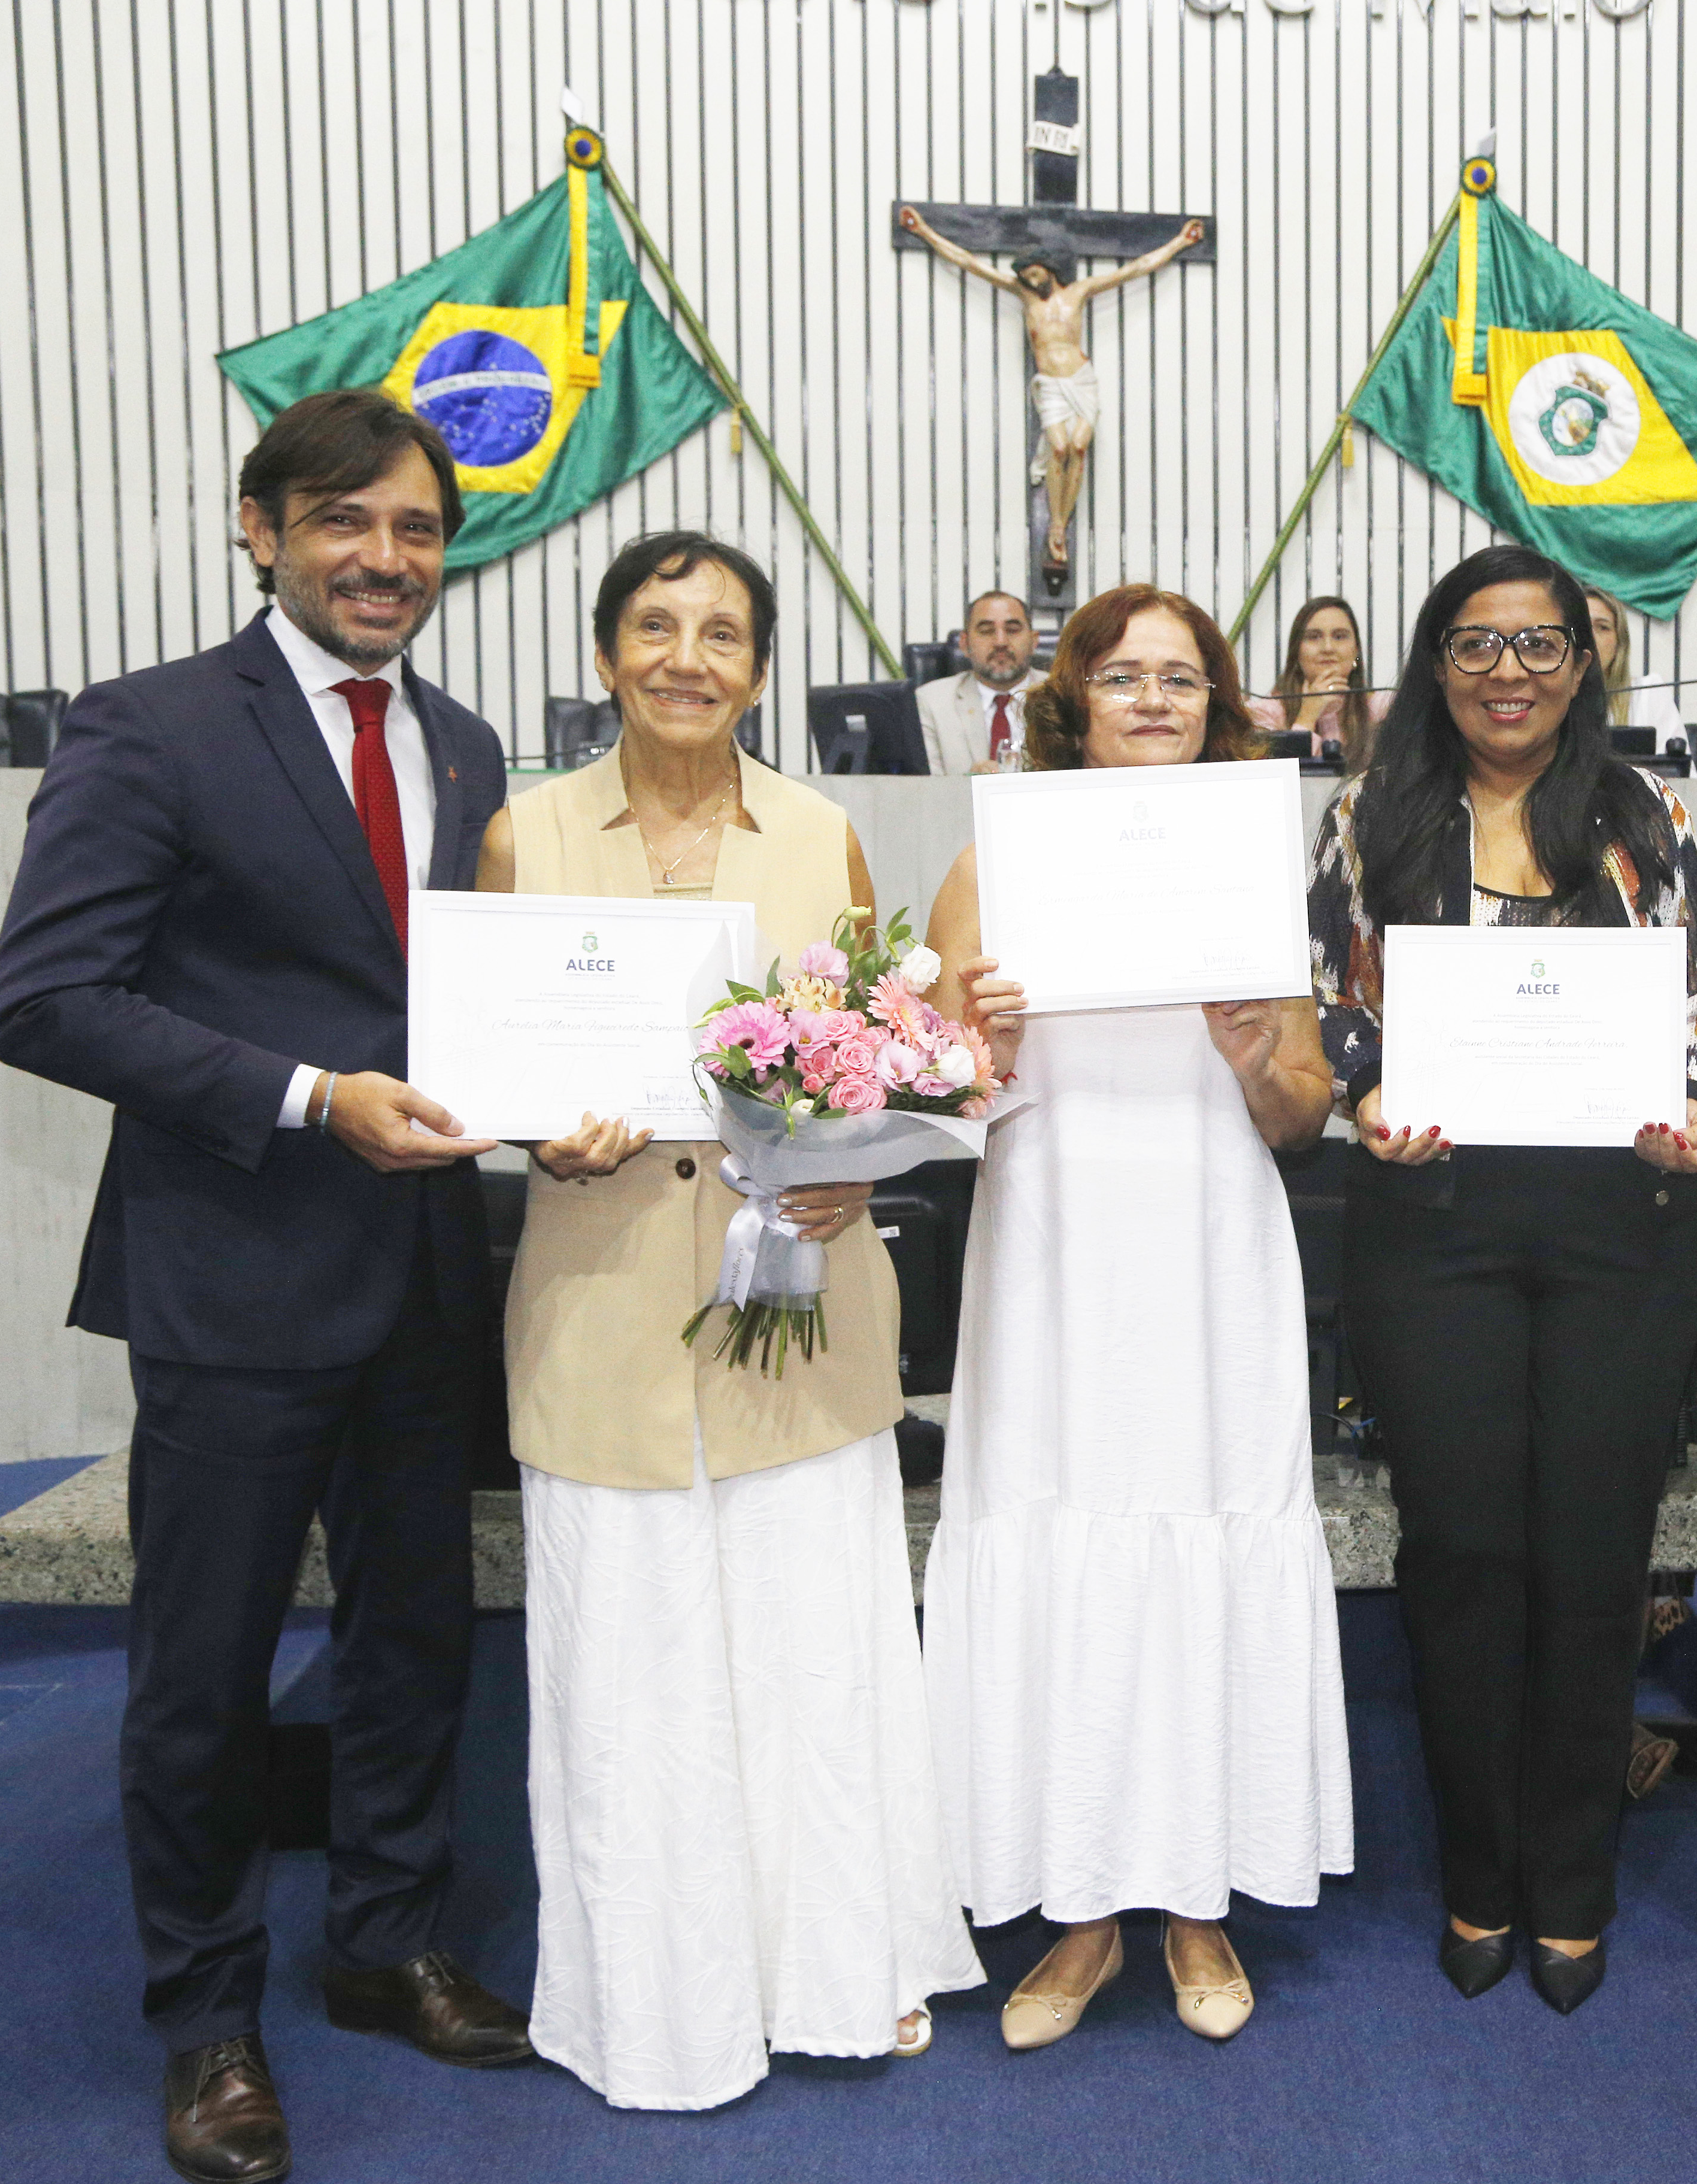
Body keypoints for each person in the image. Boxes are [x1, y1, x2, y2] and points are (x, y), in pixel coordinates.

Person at [0, 389, 527, 2184]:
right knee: (204, 1669)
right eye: (346, 522)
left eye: (417, 529)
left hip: (428, 1271)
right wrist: (308, 1096)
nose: (385, 558)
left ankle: (385, 1943)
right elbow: (47, 1000)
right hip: (232, 1273)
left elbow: (474, 1002)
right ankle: (209, 2019)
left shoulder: (468, 746)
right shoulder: (146, 726)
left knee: (414, 1637)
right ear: (262, 531)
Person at [480, 531, 984, 2109]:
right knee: (628, 1671)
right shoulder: (523, 833)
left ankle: (842, 1968)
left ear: (760, 670)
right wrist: (535, 1131)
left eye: (721, 634)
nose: (686, 658)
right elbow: (490, 1058)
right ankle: (657, 2008)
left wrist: (854, 1168)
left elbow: (881, 1051)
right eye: (655, 626)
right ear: (606, 653)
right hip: (602, 1300)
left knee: (811, 1652)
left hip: (799, 1302)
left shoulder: (823, 834)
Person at [920, 584, 1352, 2051]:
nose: (1154, 699)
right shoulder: (992, 862)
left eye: (1180, 677)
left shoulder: (1253, 866)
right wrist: (976, 1048)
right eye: (1123, 676)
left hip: (1207, 1235)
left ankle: (1197, 1899)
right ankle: (1080, 1911)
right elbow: (931, 1104)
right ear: (1075, 701)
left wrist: (1254, 1052)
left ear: (1215, 705)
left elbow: (1302, 1114)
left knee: (1200, 1523)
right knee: (1060, 1528)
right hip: (1053, 1240)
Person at [1309, 543, 1697, 2016]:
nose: (1510, 672)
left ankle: (1573, 1882)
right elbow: (1335, 1002)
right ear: (1437, 664)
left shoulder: (1640, 814)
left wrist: (1695, 1112)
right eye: (1478, 644)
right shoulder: (1371, 816)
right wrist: (1367, 1095)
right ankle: (1477, 1876)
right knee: (1463, 1554)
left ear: (1582, 661)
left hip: (1621, 1228)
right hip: (1435, 1227)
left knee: (1595, 1555)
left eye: (1541, 644)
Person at [896, 207, 1207, 577]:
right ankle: (1057, 524)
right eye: (1025, 277)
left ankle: (1061, 521)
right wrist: (924, 231)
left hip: (1081, 379)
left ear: (1048, 269)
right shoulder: (1025, 297)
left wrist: (1179, 242)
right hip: (1050, 385)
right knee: (1059, 448)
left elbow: (1135, 269)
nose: (1029, 281)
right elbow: (969, 263)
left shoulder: (1079, 292)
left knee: (1079, 446)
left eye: (1034, 273)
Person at [1245, 592, 1389, 770]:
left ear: (1356, 652)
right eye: (1314, 637)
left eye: (1339, 637)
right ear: (1296, 652)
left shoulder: (1383, 710)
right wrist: (1308, 716)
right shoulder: (1264, 715)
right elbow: (1277, 779)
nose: (1328, 648)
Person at [917, 587, 1046, 775]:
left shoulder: (1065, 695)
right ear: (965, 644)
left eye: (1012, 630)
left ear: (1034, 641)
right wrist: (968, 783)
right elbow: (927, 787)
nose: (1001, 642)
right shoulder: (930, 702)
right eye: (986, 631)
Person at [1580, 584, 1687, 749]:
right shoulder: (1552, 698)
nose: (1591, 637)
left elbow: (1678, 766)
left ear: (1619, 643)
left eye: (1603, 627)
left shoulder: (1648, 694)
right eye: (1583, 627)